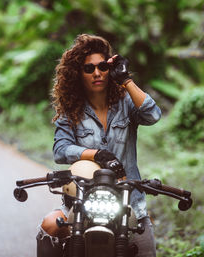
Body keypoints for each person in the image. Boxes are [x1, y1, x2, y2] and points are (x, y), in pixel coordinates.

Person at [36, 34, 162, 257]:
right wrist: (96, 154)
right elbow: (60, 149)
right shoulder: (71, 110)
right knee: (50, 225)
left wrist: (126, 79)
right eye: (89, 68)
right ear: (78, 74)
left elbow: (153, 115)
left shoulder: (125, 102)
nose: (97, 73)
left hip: (128, 202)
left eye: (102, 66)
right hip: (84, 203)